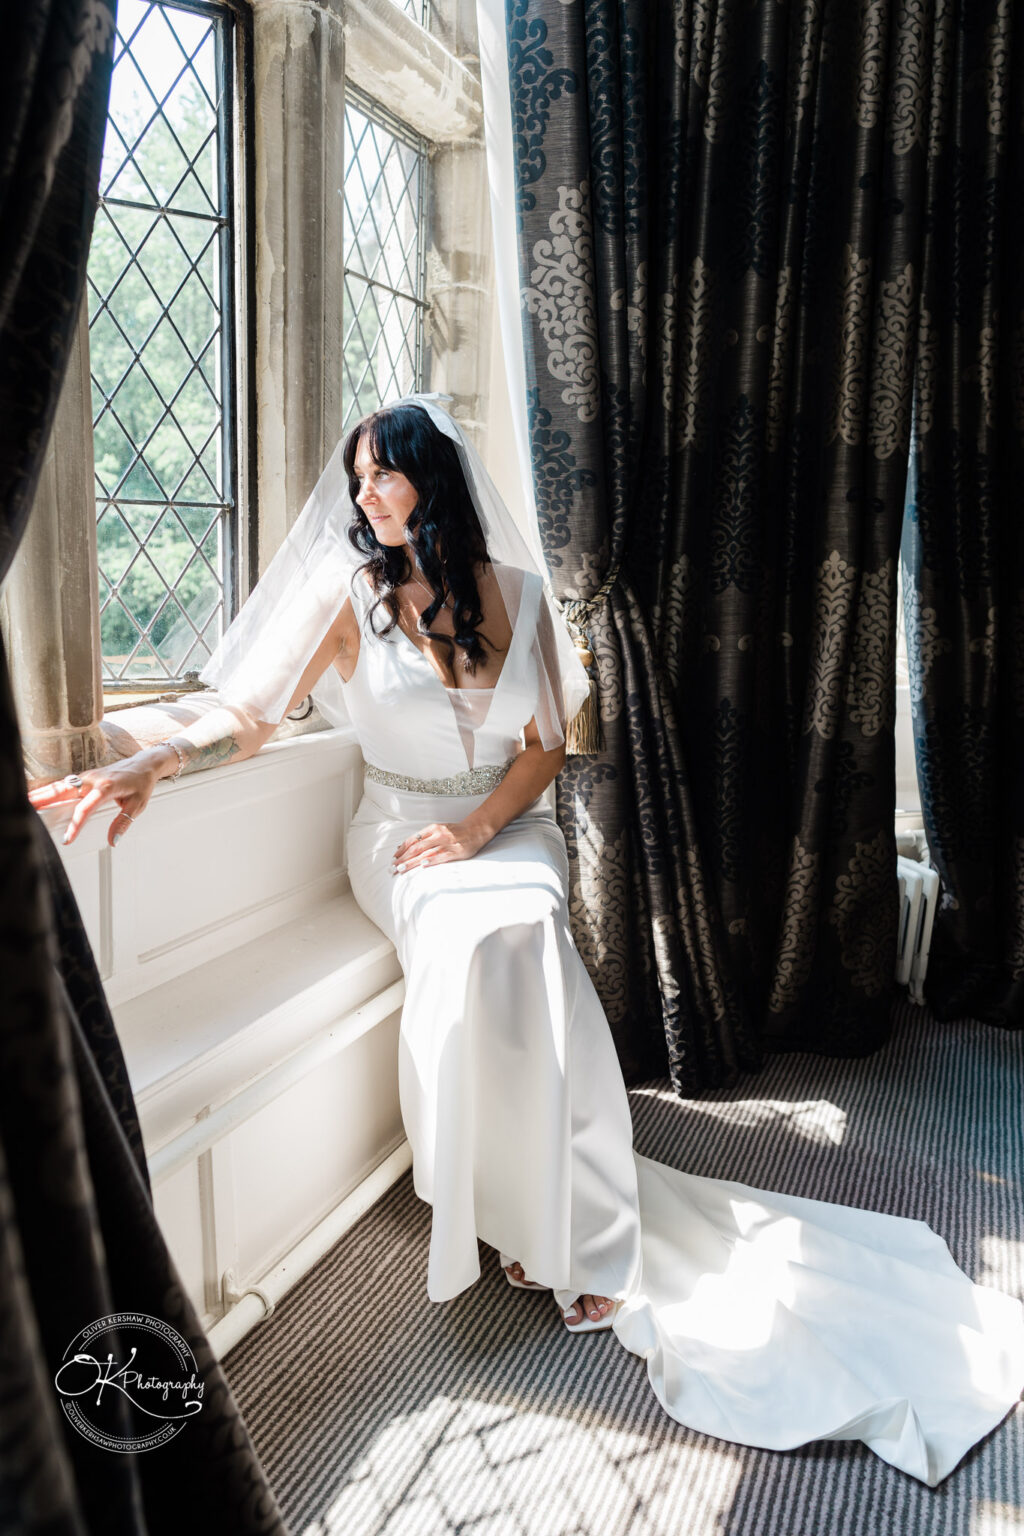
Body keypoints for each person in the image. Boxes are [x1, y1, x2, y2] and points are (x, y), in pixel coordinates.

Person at [31, 394, 1024, 1486]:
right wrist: (155, 760)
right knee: (475, 946)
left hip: (504, 829)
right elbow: (253, 715)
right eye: (357, 478)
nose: (365, 495)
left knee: (525, 929)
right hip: (398, 833)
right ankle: (514, 1208)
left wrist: (479, 829)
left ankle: (573, 1219)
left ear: (435, 479)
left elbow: (548, 744)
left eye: (383, 473)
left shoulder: (521, 595)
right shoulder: (348, 596)